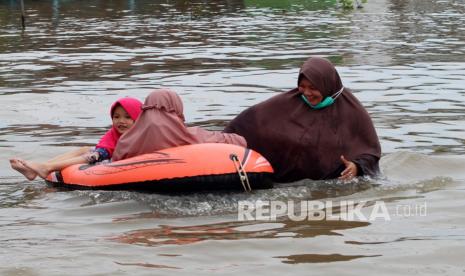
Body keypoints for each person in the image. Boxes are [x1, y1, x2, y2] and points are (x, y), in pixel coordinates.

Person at [224, 57, 381, 182]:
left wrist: (356, 167)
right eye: (302, 86)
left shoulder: (353, 112)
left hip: (327, 186)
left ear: (327, 85)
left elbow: (370, 152)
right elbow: (248, 124)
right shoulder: (288, 102)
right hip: (286, 182)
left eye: (313, 88)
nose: (306, 93)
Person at [10, 97, 143, 180]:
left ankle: (43, 168)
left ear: (138, 118)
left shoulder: (142, 134)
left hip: (114, 159)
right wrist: (96, 154)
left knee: (91, 154)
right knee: (85, 150)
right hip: (105, 157)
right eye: (116, 117)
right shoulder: (113, 133)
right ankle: (41, 167)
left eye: (127, 117)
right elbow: (104, 149)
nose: (121, 121)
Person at [112, 89, 246, 161]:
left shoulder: (126, 141)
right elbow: (237, 141)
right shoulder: (189, 135)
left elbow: (115, 162)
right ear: (176, 108)